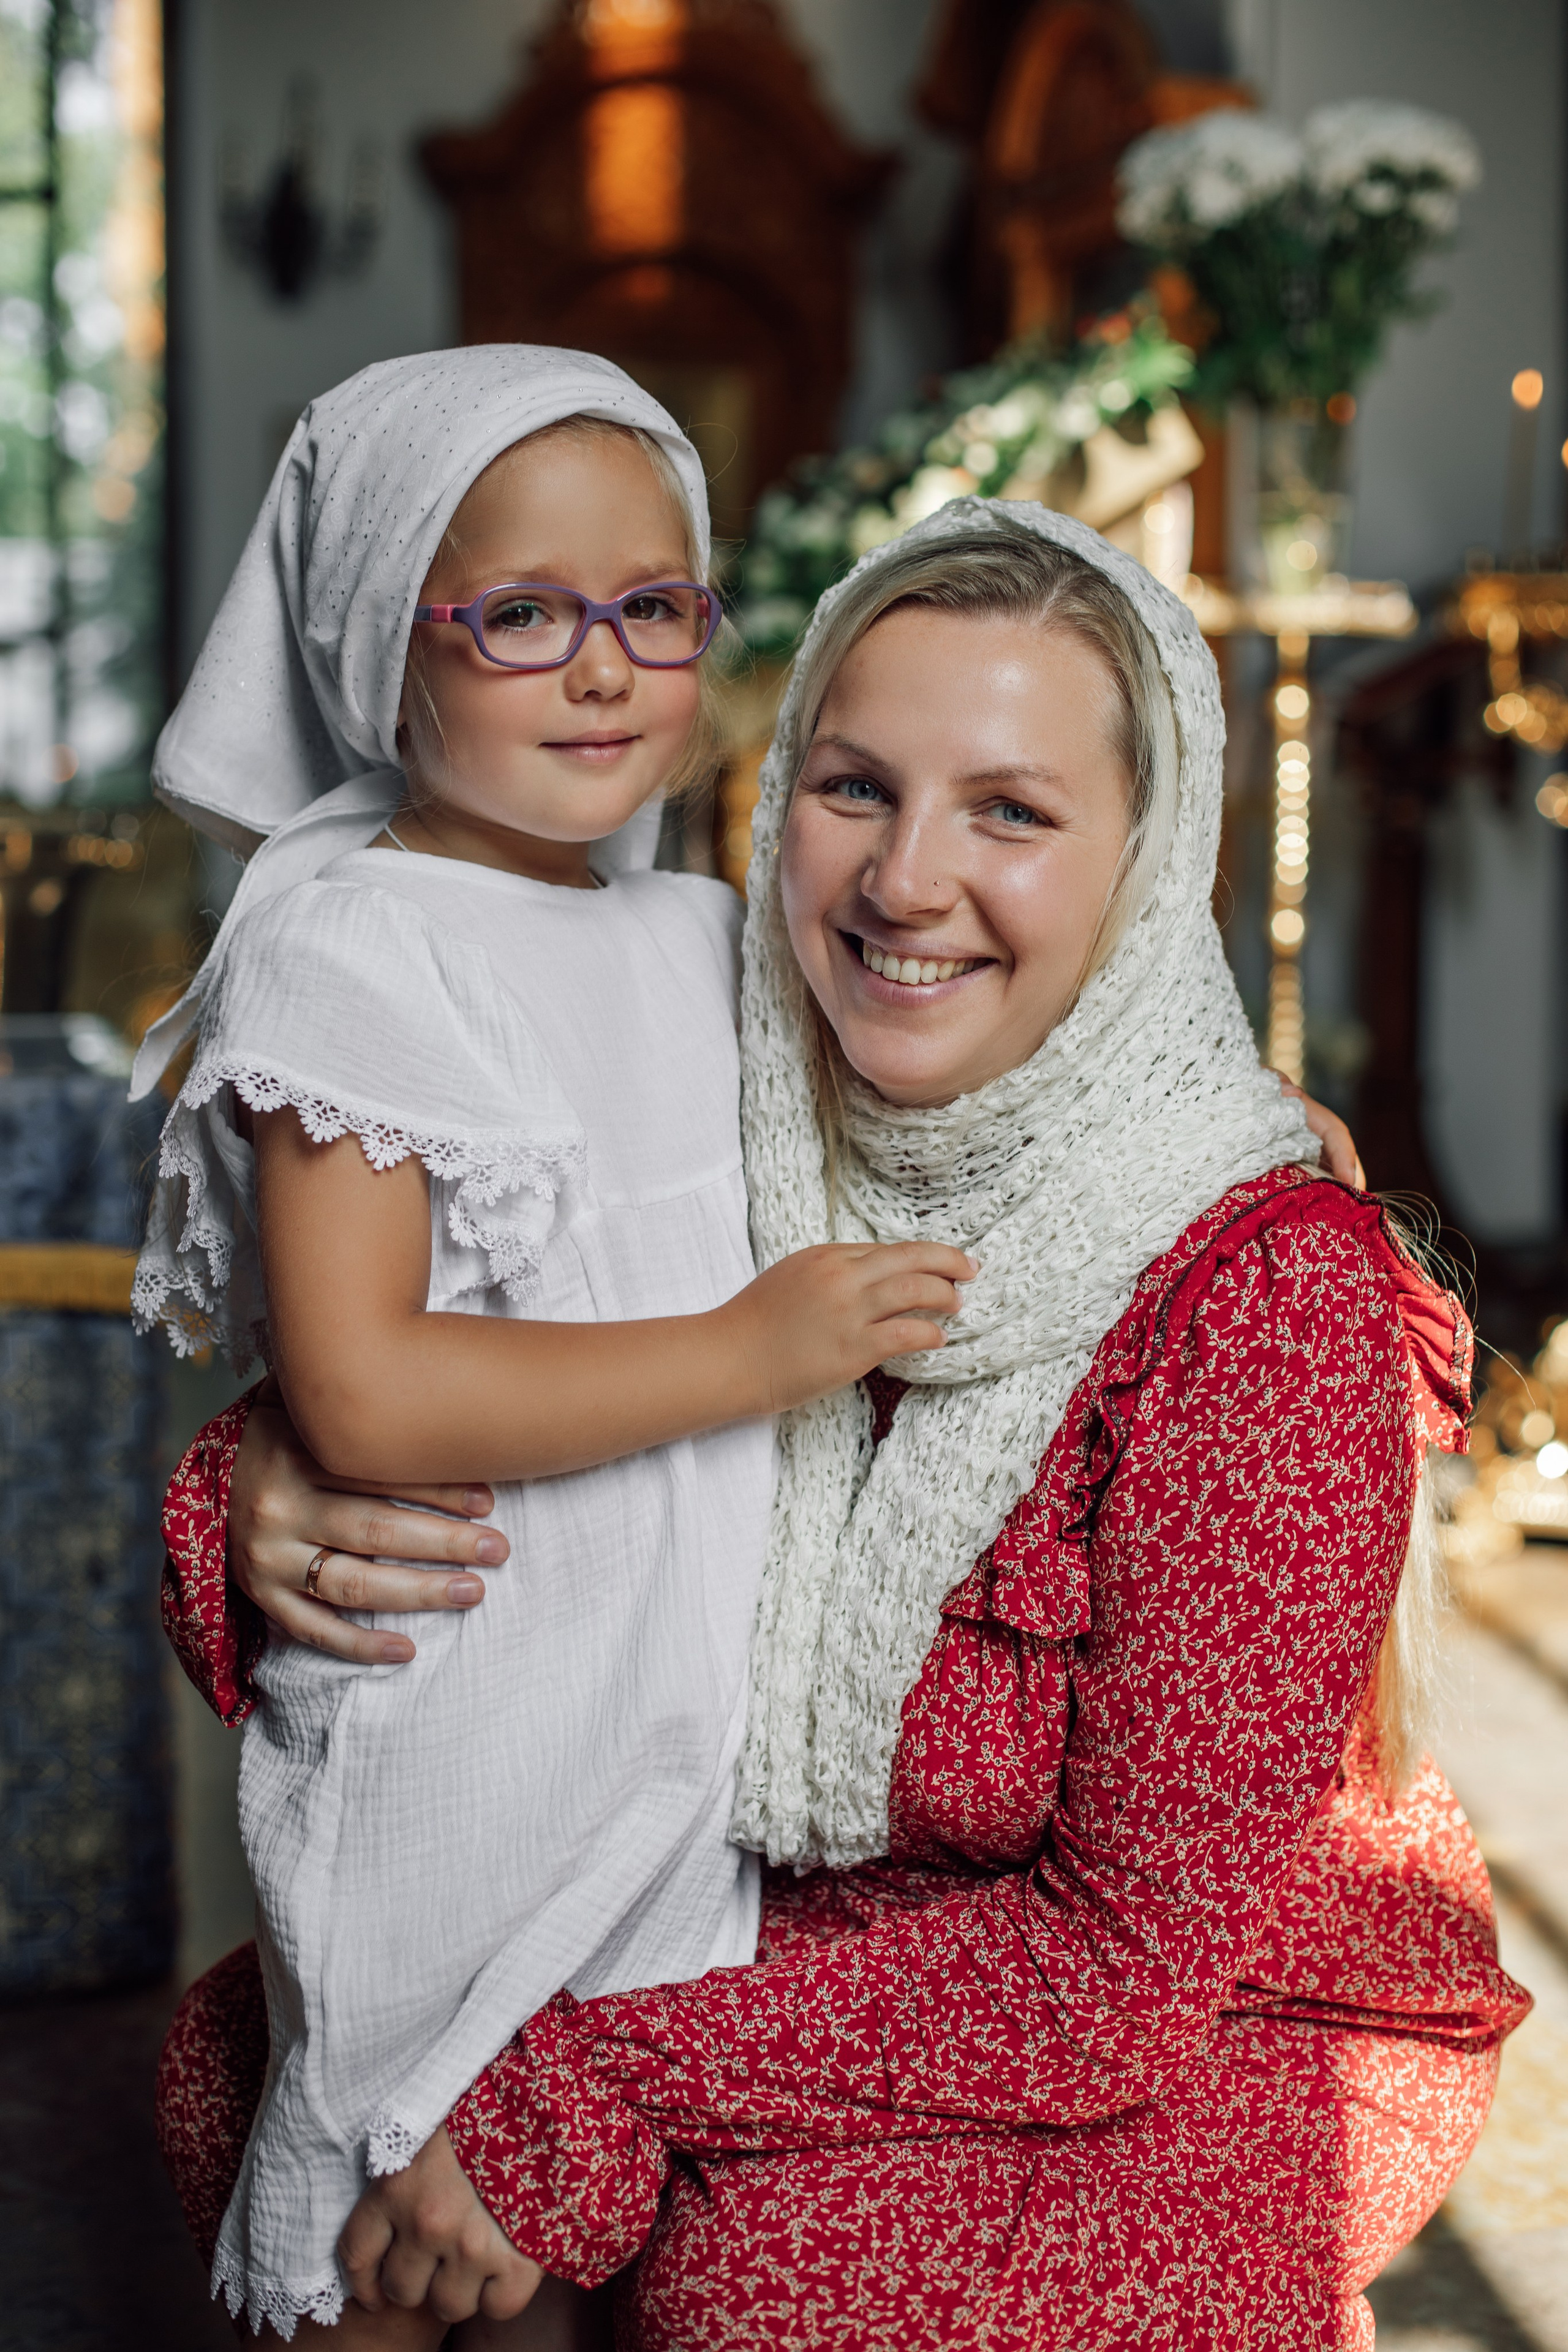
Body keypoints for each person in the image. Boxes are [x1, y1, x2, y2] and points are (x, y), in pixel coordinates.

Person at [153, 498, 1525, 2352]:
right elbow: (434, 1338)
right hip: (764, 1918)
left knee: (764, 2281)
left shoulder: (1258, 1285)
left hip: (1184, 2013)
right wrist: (253, 1491)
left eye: (1013, 813)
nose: (903, 881)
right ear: (777, 783)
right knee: (264, 2069)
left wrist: (578, 2096)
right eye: (856, 787)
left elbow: (1111, 1973)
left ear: (1150, 858)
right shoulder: (725, 1079)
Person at [132, 346, 973, 2346]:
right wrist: (753, 1350)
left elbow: (971, 1081)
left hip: (676, 1737)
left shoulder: (691, 932)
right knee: (382, 2248)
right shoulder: (353, 944)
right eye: (521, 614)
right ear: (382, 647)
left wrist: (1254, 1118)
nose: (604, 670)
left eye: (656, 608)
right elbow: (369, 1391)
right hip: (480, 1713)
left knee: (569, 2235)